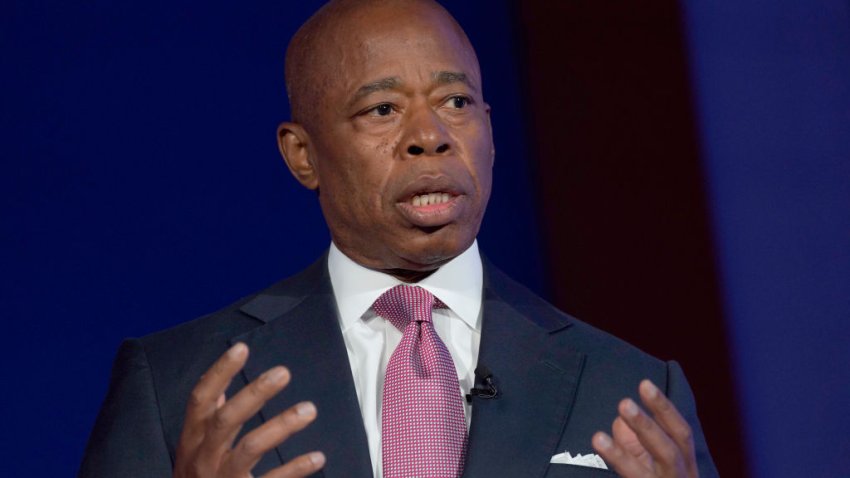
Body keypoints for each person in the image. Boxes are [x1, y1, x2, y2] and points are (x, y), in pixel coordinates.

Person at [80, 1, 719, 477]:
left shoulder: (633, 391)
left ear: (491, 134)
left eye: (457, 103)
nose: (431, 135)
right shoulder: (175, 388)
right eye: (383, 110)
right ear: (303, 155)